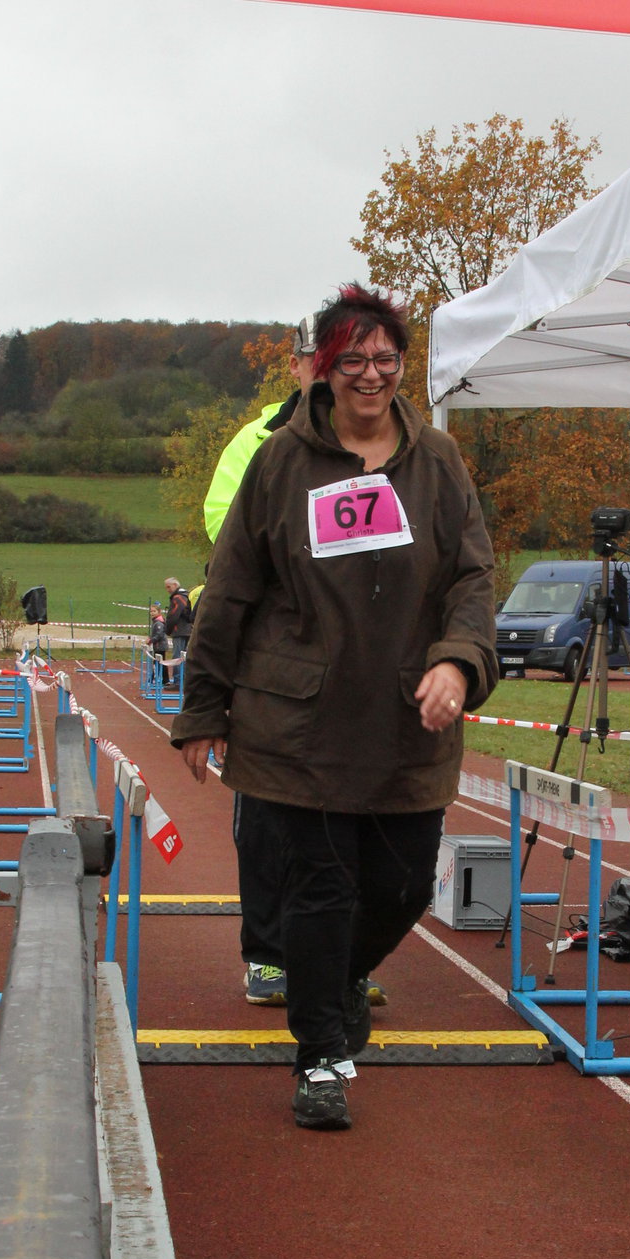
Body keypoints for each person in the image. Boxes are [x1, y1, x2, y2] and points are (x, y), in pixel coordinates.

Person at [172, 283, 498, 1132]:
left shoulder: (439, 463)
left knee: (401, 886)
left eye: (385, 359)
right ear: (324, 367)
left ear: (402, 366)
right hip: (300, 726)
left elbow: (472, 579)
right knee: (319, 892)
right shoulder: (280, 462)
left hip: (406, 723)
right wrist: (203, 709)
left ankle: (335, 983)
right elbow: (231, 590)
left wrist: (459, 661)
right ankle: (320, 1057)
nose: (370, 374)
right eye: (352, 359)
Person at [203, 320, 322, 1008]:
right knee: (268, 818)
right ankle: (269, 956)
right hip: (271, 659)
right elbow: (223, 527)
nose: (331, 371)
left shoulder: (385, 442)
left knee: (349, 825)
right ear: (297, 365)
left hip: (354, 666)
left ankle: (343, 960)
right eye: (317, 358)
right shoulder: (254, 441)